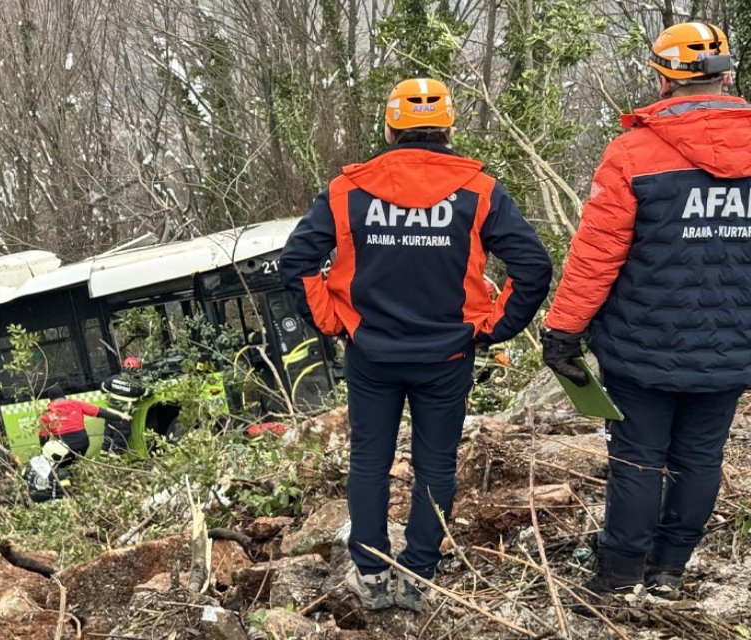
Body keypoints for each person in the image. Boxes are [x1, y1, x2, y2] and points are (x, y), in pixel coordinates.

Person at [280, 78, 552, 612]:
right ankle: (420, 575)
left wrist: (334, 322)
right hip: (447, 356)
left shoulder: (348, 190)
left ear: (389, 128)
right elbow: (534, 267)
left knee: (369, 461)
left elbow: (296, 264)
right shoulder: (479, 191)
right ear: (449, 128)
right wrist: (494, 326)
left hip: (371, 354)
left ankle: (373, 574)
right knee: (436, 465)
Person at [541, 22, 751, 602]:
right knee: (701, 457)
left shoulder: (634, 151)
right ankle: (669, 570)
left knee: (637, 458)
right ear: (727, 74)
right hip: (733, 345)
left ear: (663, 76)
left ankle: (619, 574)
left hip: (641, 346)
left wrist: (564, 330)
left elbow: (595, 255)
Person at [37, 386, 127, 466]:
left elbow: (43, 436)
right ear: (63, 396)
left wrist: (43, 453)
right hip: (83, 443)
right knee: (75, 462)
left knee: (60, 463)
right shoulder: (77, 404)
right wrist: (120, 417)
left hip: (63, 446)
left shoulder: (46, 414)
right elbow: (99, 412)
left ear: (50, 400)